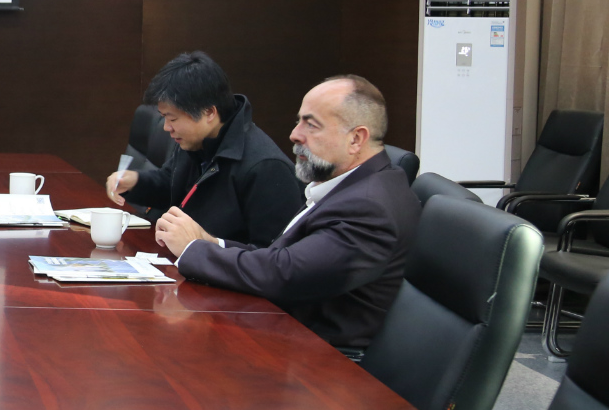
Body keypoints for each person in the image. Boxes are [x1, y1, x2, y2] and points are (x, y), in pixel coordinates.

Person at [157, 75, 422, 351]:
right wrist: (212, 243)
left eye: (311, 124)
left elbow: (284, 274)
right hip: (287, 333)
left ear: (356, 139)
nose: (295, 134)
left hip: (318, 359)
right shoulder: (350, 185)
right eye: (298, 121)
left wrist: (193, 249)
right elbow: (282, 257)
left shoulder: (370, 207)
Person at [106, 51, 303, 249]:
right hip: (183, 258)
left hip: (215, 267)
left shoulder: (267, 168)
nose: (166, 127)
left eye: (172, 118)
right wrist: (135, 182)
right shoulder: (197, 140)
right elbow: (171, 183)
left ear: (209, 112)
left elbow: (274, 256)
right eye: (163, 117)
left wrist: (208, 244)